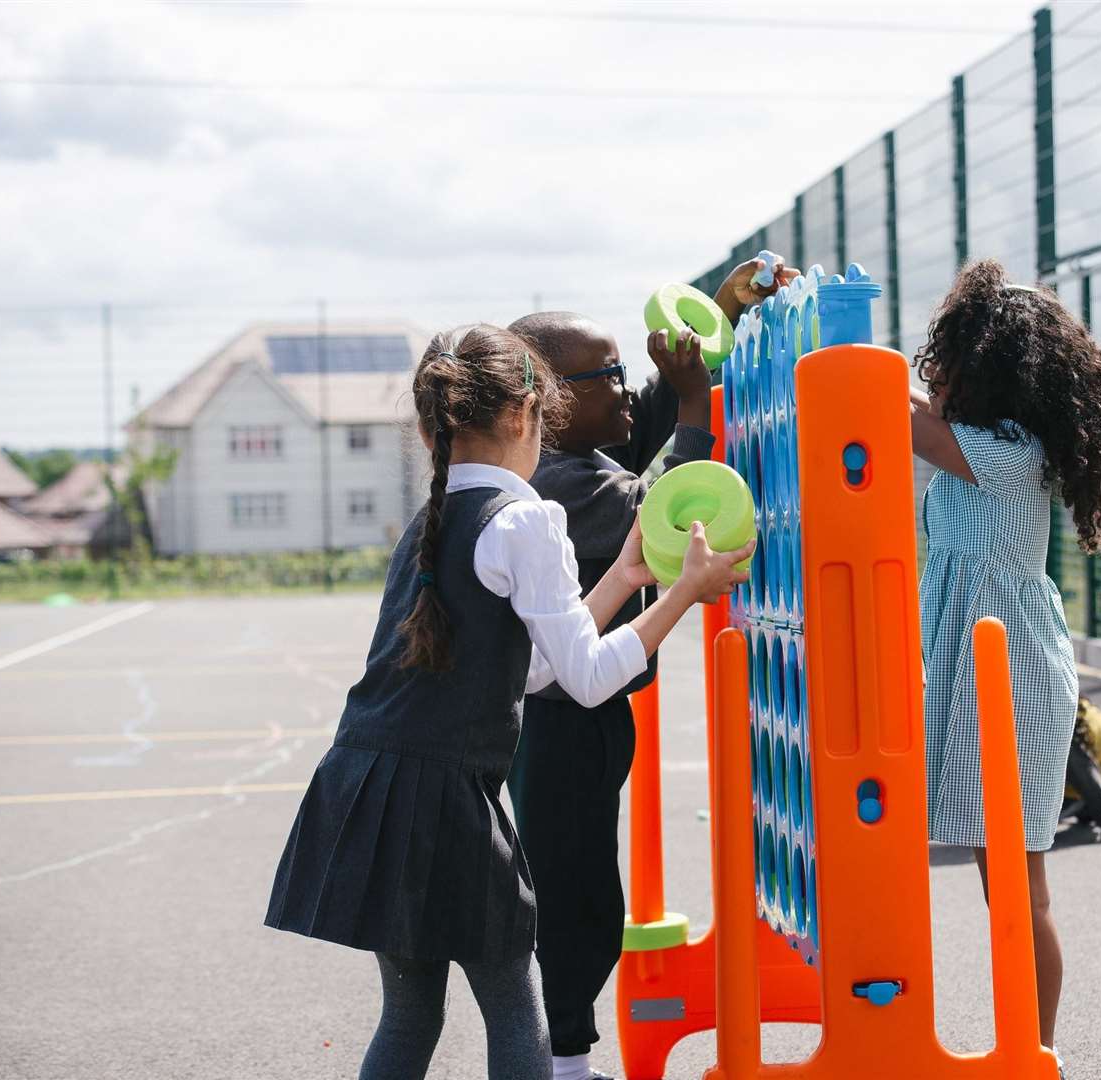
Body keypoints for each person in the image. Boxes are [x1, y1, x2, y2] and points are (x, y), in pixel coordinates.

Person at [263, 325, 755, 1080]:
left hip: (368, 790)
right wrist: (684, 591)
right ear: (528, 417)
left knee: (411, 1013)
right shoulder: (526, 519)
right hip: (443, 803)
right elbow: (587, 680)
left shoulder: (430, 524)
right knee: (515, 1009)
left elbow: (526, 673)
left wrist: (624, 579)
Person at [506, 255, 795, 1080]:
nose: (630, 388)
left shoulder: (566, 455)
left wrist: (720, 317)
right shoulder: (565, 483)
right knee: (578, 898)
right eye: (612, 376)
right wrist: (700, 402)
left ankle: (563, 1050)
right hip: (561, 722)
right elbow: (666, 501)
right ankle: (566, 1061)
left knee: (582, 887)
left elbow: (636, 432)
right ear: (551, 404)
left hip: (583, 714)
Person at [910, 258, 1101, 1067]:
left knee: (1017, 886)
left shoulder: (1014, 455)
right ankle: (1016, 1048)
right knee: (994, 877)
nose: (933, 370)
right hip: (965, 662)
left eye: (948, 357)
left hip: (1007, 674)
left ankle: (1033, 1052)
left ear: (993, 374)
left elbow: (903, 417)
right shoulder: (971, 446)